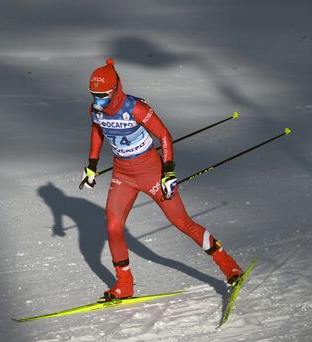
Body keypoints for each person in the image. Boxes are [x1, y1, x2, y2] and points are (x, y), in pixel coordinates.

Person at [81, 58, 243, 301]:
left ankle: (229, 266)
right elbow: (97, 131)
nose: (97, 101)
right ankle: (124, 285)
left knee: (182, 223)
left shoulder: (135, 108)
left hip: (150, 171)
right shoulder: (96, 110)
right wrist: (92, 165)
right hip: (122, 174)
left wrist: (168, 172)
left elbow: (164, 136)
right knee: (113, 227)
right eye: (94, 95)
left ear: (115, 90)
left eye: (102, 95)